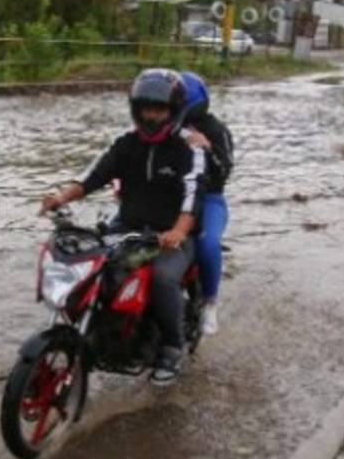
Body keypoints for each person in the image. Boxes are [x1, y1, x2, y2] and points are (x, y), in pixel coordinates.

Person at [40, 69, 205, 385]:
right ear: (135, 108)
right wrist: (60, 197)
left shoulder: (189, 148)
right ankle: (105, 332)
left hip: (170, 236)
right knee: (91, 269)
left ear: (173, 111)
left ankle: (172, 346)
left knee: (162, 277)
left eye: (159, 109)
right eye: (145, 108)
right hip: (127, 226)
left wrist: (179, 231)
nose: (151, 115)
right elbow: (91, 176)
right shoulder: (126, 142)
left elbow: (193, 194)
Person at [177, 72, 233, 335]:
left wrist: (208, 148)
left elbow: (224, 171)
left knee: (208, 242)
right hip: (171, 199)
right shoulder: (165, 127)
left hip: (209, 199)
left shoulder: (215, 129)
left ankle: (210, 302)